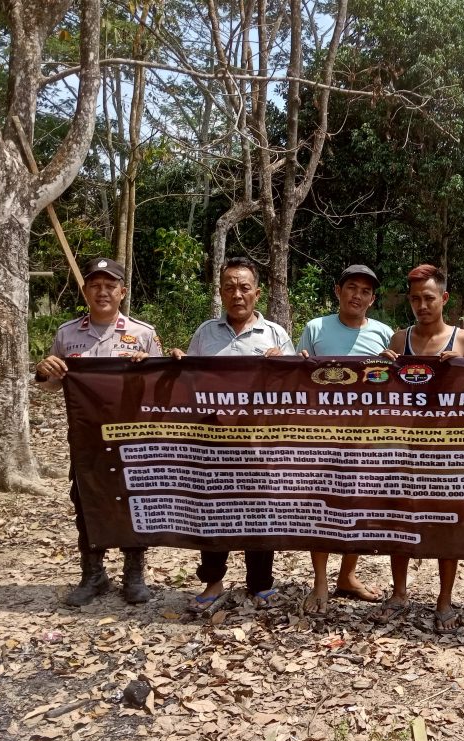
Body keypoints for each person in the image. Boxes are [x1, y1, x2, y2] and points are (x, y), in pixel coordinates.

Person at [34, 257, 163, 606]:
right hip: (87, 438)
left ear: (122, 292)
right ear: (86, 290)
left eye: (110, 286)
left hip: (132, 439)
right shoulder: (67, 333)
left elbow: (161, 389)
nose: (102, 292)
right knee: (88, 501)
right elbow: (50, 386)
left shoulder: (143, 334)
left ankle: (134, 574)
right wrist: (45, 369)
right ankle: (93, 575)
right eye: (95, 285)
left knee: (134, 501)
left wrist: (149, 369)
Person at [170, 257, 295, 612]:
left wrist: (283, 364)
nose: (237, 294)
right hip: (214, 444)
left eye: (244, 287)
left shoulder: (275, 335)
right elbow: (189, 383)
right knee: (213, 510)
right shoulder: (205, 333)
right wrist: (177, 364)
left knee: (259, 511)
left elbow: (292, 390)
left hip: (259, 446)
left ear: (257, 292)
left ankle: (260, 584)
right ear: (221, 292)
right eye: (229, 287)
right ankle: (213, 581)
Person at [369, 264, 464, 633]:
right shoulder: (400, 340)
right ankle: (399, 593)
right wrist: (382, 369)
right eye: (415, 299)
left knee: (446, 522)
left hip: (447, 449)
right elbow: (384, 389)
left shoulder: (463, 339)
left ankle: (444, 599)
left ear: (443, 298)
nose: (422, 305)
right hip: (404, 447)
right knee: (400, 520)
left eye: (429, 298)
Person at [296, 264, 393, 614]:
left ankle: (347, 576)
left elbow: (397, 383)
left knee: (359, 505)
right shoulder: (316, 328)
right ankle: (320, 581)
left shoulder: (385, 333)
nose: (358, 295)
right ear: (338, 291)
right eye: (352, 287)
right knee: (322, 505)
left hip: (367, 436)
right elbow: (296, 377)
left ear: (373, 298)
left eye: (366, 291)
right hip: (323, 433)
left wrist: (388, 366)